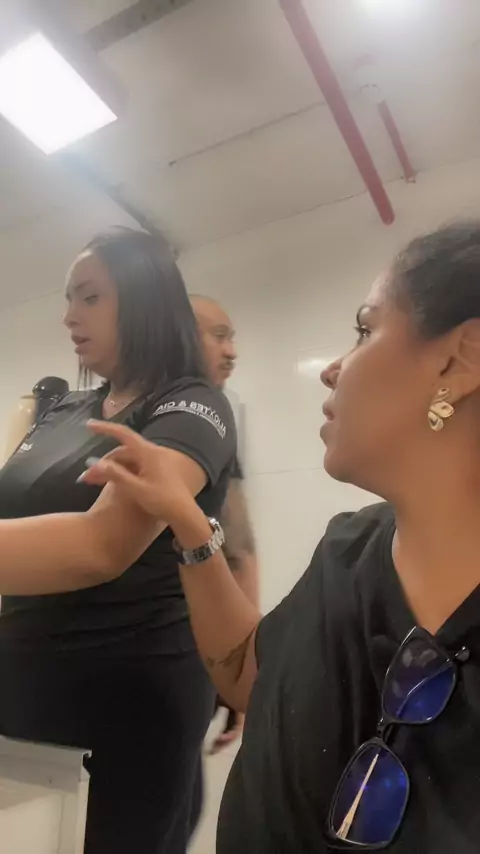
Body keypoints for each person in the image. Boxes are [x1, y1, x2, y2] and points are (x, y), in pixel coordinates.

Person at [81, 221, 480, 853]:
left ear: (459, 361)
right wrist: (188, 521)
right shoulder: (347, 550)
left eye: (365, 330)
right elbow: (250, 674)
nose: (333, 370)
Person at [0, 227, 236, 854]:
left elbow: (100, 546)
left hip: (128, 696)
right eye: (68, 298)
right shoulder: (64, 411)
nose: (69, 315)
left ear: (145, 299)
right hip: (24, 681)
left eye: (90, 297)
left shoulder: (193, 406)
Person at [191, 294, 258, 755]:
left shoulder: (213, 419)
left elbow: (240, 549)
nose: (231, 351)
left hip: (179, 655)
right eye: (218, 336)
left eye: (231, 337)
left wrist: (241, 668)